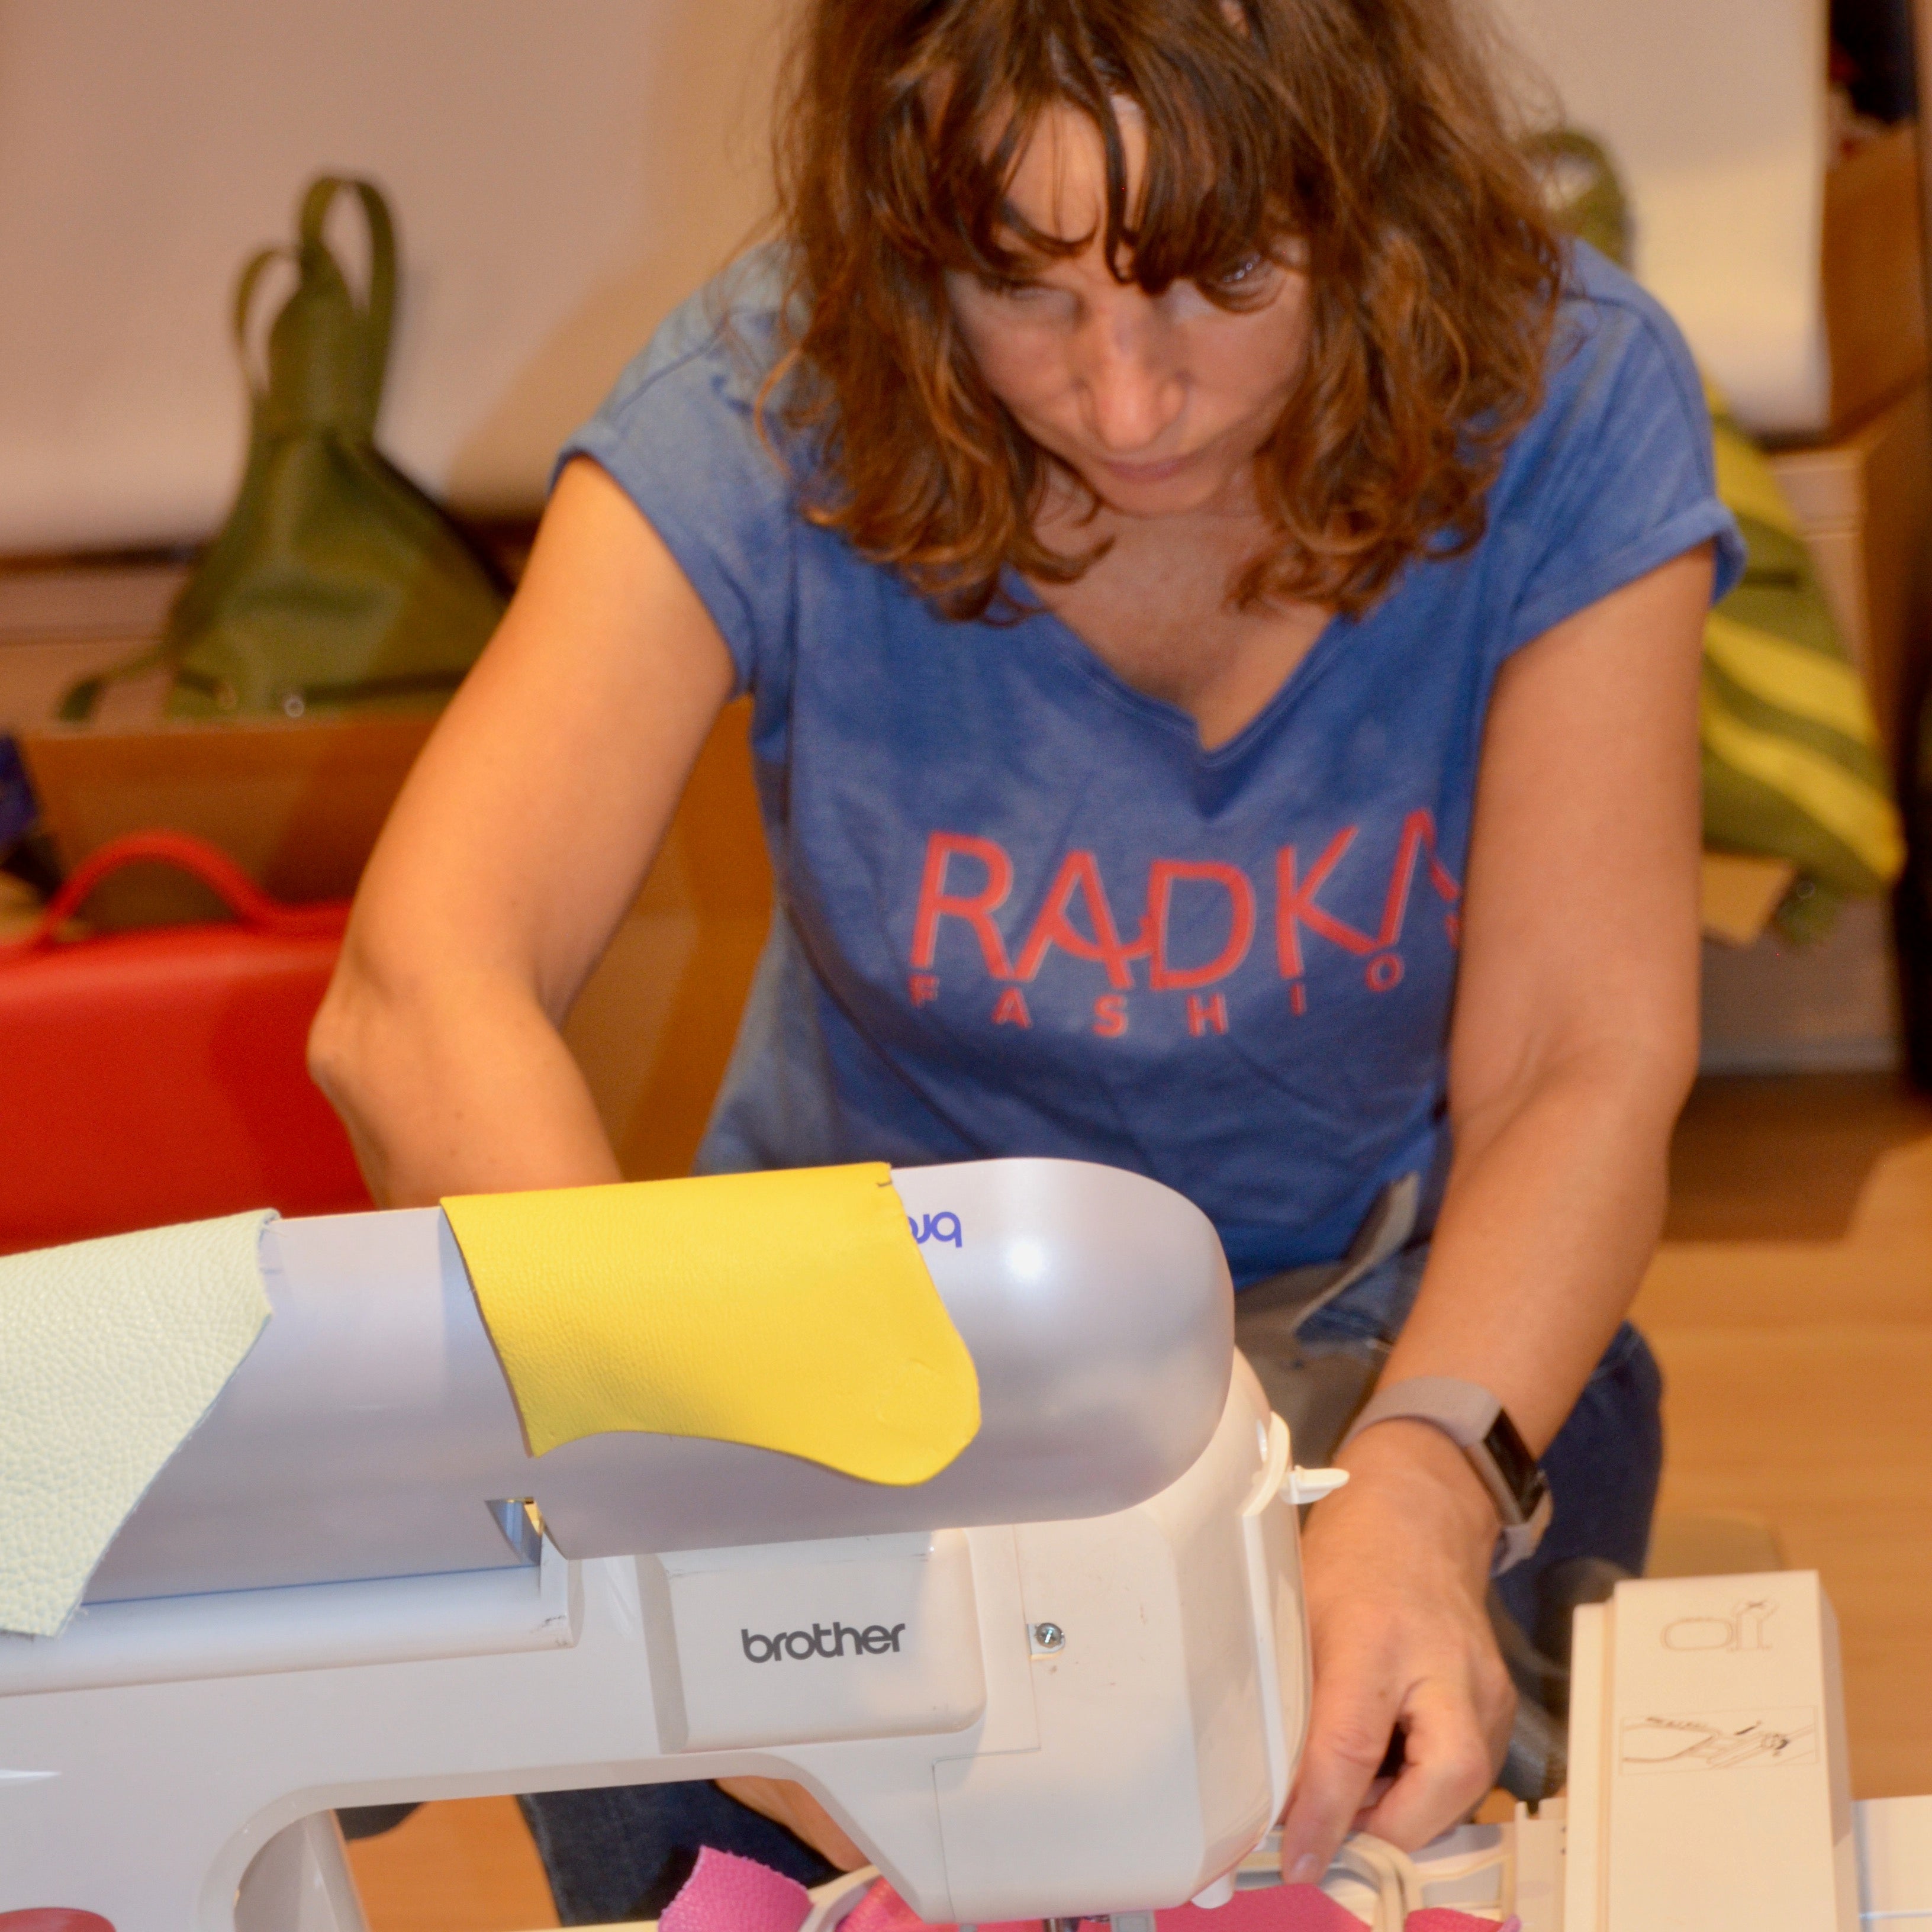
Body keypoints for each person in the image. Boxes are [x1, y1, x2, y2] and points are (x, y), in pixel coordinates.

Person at [310, 0, 1743, 1917]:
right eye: (1018, 282)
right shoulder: (767, 393)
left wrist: (1420, 1481)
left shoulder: (1565, 393)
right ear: (906, 235)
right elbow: (419, 989)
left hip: (1365, 1319)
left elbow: (1582, 1053)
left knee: (1363, 1805)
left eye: (1220, 276)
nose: (1125, 398)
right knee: (709, 1819)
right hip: (836, 1360)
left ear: (1371, 188)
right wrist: (687, 1488)